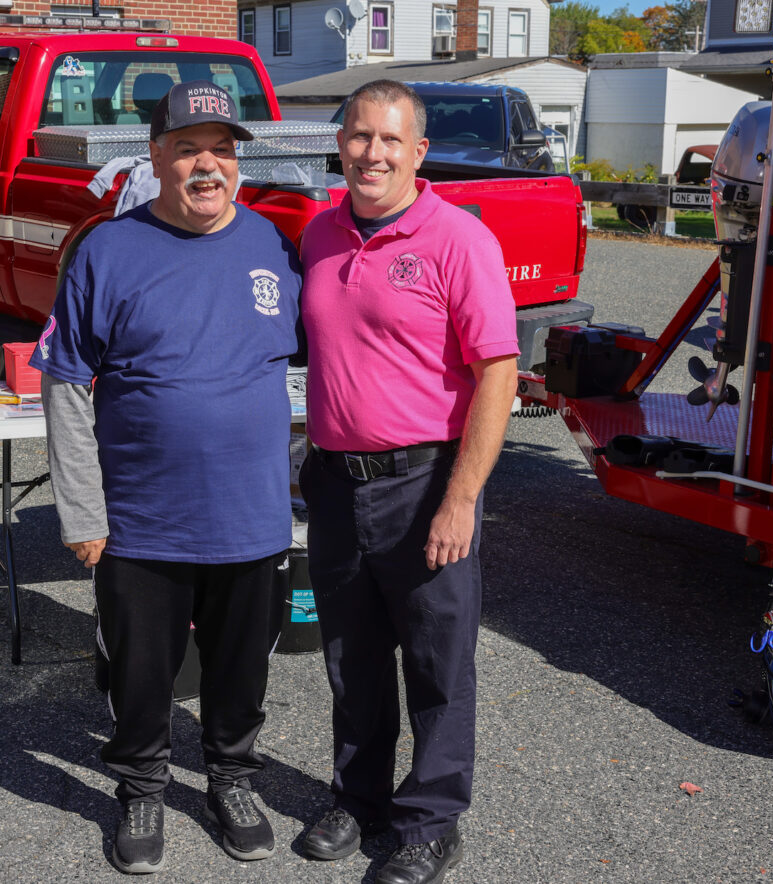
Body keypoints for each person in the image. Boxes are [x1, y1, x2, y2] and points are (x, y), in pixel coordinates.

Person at [29, 80, 302, 875]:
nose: (207, 166)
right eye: (188, 149)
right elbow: (65, 383)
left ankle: (230, 779)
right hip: (141, 523)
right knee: (144, 671)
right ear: (156, 158)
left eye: (221, 149)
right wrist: (81, 510)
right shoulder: (108, 252)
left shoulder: (274, 246)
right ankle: (142, 785)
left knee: (240, 670)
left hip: (252, 518)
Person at [297, 79, 519, 884]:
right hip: (333, 483)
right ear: (341, 142)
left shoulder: (459, 240)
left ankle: (429, 821)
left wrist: (460, 498)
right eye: (359, 136)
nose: (373, 154)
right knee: (351, 658)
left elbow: (498, 371)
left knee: (435, 661)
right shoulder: (318, 235)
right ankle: (357, 800)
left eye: (391, 140)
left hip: (425, 484)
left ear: (419, 152)